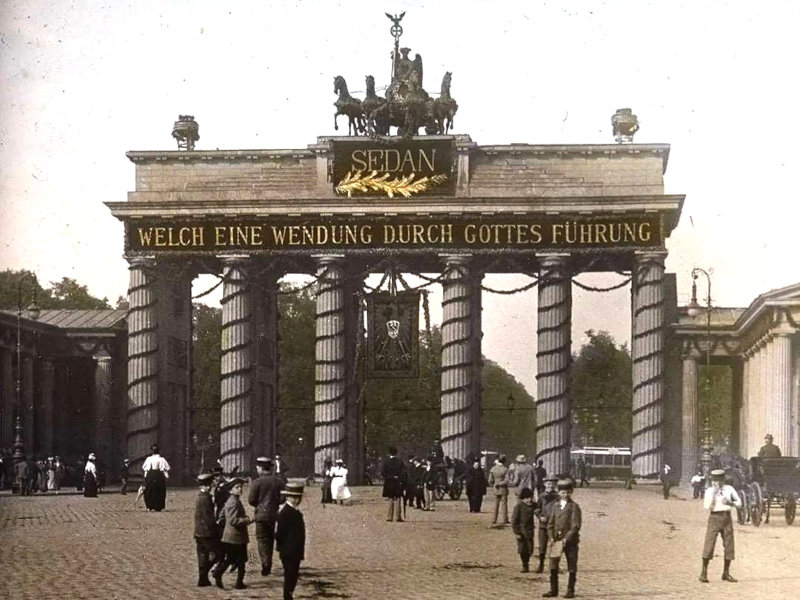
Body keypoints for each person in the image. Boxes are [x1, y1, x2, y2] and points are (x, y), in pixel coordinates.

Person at [700, 469, 741, 583]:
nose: (716, 484)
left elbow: (739, 503)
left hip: (726, 517)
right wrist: (713, 495)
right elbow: (707, 507)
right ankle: (704, 572)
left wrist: (730, 503)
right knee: (709, 543)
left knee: (729, 545)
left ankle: (726, 573)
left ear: (723, 480)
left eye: (719, 481)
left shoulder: (729, 489)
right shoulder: (709, 491)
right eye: (714, 481)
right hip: (714, 517)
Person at [543, 479, 582, 599]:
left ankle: (570, 590)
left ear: (571, 492)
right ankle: (553, 590)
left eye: (567, 493)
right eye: (562, 492)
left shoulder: (574, 506)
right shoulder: (555, 506)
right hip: (556, 540)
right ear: (559, 493)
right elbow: (550, 523)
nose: (565, 495)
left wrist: (567, 538)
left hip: (570, 541)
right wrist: (550, 537)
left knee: (571, 565)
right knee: (553, 565)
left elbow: (575, 525)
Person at [211, 477, 252, 589]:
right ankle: (237, 582)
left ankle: (220, 574)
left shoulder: (230, 501)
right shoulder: (234, 502)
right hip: (237, 537)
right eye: (237, 487)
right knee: (241, 560)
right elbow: (233, 520)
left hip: (229, 536)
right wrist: (247, 520)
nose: (240, 489)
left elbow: (222, 515)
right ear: (230, 490)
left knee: (231, 559)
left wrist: (224, 523)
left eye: (240, 487)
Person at [248, 456, 284, 576]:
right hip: (273, 515)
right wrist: (274, 503)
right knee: (270, 539)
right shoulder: (278, 481)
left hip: (260, 515)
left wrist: (259, 504)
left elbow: (251, 500)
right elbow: (283, 498)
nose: (257, 469)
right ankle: (269, 562)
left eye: (258, 467)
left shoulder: (256, 482)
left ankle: (265, 562)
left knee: (262, 540)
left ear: (261, 468)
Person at [276, 482, 306, 600]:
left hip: (294, 550)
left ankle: (289, 595)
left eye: (299, 497)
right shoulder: (286, 513)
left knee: (293, 574)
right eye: (295, 497)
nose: (298, 500)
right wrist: (284, 547)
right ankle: (287, 596)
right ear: (288, 497)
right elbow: (280, 533)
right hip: (289, 551)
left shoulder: (292, 511)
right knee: (290, 575)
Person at [194, 473, 219, 587]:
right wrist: (215, 529)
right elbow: (208, 518)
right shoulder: (205, 498)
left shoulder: (201, 496)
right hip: (207, 533)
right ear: (208, 485)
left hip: (199, 532)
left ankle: (202, 579)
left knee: (202, 556)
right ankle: (203, 576)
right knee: (218, 554)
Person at [533, 475, 560, 573]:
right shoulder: (541, 496)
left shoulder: (558, 497)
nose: (551, 486)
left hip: (554, 526)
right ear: (545, 484)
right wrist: (540, 516)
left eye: (553, 484)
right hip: (543, 525)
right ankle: (541, 565)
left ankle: (555, 566)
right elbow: (536, 509)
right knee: (542, 546)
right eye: (549, 483)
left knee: (555, 545)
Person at [512, 487, 536, 572]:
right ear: (522, 499)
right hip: (521, 531)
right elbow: (514, 521)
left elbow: (538, 511)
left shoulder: (533, 505)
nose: (529, 500)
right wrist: (517, 532)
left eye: (530, 498)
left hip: (530, 531)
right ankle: (524, 564)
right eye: (526, 498)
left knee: (530, 549)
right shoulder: (518, 507)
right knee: (522, 549)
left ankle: (527, 561)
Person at [142, 444, 170, 511]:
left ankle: (150, 506)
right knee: (160, 491)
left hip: (151, 476)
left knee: (149, 491)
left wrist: (145, 477)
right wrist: (166, 476)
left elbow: (145, 469)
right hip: (159, 476)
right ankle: (158, 506)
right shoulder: (162, 459)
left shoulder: (149, 459)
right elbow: (166, 469)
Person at [381, 446, 406, 522]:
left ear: (389, 453)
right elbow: (403, 473)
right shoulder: (400, 461)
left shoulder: (386, 462)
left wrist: (390, 477)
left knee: (390, 499)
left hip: (389, 482)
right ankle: (398, 517)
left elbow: (383, 473)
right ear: (396, 453)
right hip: (398, 483)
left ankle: (389, 517)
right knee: (398, 499)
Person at [488, 454, 510, 525]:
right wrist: (500, 483)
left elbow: (490, 480)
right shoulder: (505, 469)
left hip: (496, 488)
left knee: (496, 504)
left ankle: (494, 519)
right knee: (504, 504)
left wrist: (494, 485)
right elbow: (507, 480)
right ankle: (505, 519)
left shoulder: (493, 469)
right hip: (503, 488)